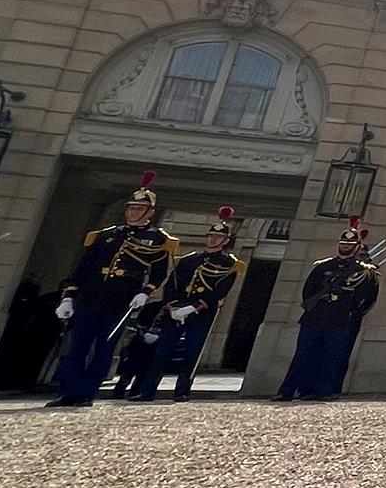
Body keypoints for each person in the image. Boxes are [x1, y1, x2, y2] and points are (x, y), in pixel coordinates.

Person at [49, 170, 175, 408]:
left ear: (150, 212)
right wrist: (68, 296)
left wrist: (145, 292)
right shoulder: (107, 235)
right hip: (90, 296)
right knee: (77, 347)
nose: (133, 212)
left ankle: (87, 392)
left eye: (139, 209)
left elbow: (159, 272)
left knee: (104, 348)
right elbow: (83, 268)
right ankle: (69, 392)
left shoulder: (158, 240)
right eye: (131, 208)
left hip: (121, 299)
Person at [132, 206, 242, 402]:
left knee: (191, 353)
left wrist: (192, 307)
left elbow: (219, 292)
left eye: (218, 237)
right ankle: (147, 390)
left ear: (225, 241)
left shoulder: (229, 264)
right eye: (211, 236)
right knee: (162, 352)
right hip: (176, 310)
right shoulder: (189, 260)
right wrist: (172, 306)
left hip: (200, 312)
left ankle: (182, 391)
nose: (213, 240)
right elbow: (172, 284)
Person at [279, 216, 380, 401]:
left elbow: (367, 299)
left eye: (350, 244)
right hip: (315, 318)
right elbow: (308, 291)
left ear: (357, 247)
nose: (345, 247)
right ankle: (291, 391)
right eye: (343, 243)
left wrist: (352, 314)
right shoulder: (323, 266)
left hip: (340, 320)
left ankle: (324, 391)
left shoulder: (364, 271)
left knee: (332, 358)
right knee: (303, 355)